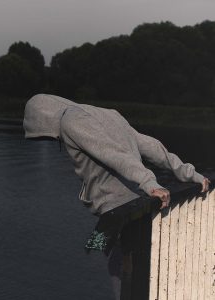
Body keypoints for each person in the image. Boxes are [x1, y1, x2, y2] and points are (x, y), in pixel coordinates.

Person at [22, 93, 211, 298]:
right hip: (129, 210)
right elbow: (151, 146)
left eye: (47, 136)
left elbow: (113, 154)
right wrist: (189, 173)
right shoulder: (107, 114)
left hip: (119, 212)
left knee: (119, 271)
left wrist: (148, 182)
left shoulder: (70, 120)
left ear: (42, 117)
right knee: (107, 255)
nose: (53, 139)